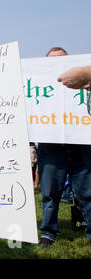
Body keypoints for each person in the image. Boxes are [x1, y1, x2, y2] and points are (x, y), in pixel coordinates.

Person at [37, 47, 91, 247]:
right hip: (50, 146)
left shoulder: (84, 83)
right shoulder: (37, 84)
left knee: (87, 191)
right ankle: (48, 232)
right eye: (53, 61)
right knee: (50, 193)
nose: (58, 64)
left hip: (81, 144)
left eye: (62, 61)